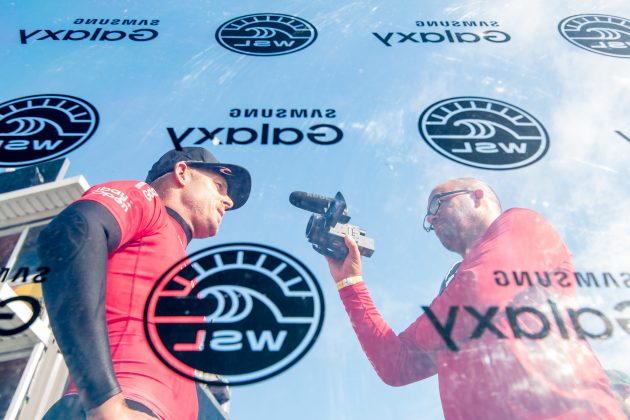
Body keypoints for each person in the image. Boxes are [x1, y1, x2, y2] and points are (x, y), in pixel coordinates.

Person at [325, 177, 625, 419]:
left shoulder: (521, 223)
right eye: (428, 218)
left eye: (437, 204)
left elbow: (479, 293)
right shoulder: (452, 296)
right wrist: (349, 282)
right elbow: (394, 365)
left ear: (477, 196)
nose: (430, 219)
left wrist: (430, 337)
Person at [37, 147, 251, 420]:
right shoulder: (148, 202)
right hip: (122, 405)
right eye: (219, 186)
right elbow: (71, 232)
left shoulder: (181, 265)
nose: (228, 201)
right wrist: (104, 403)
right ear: (182, 173)